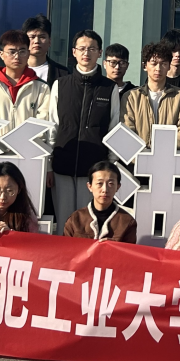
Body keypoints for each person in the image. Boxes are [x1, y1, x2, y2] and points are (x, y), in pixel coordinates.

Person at [47, 30, 121, 224]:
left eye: (92, 49)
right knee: (64, 222)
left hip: (94, 168)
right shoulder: (60, 85)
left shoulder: (109, 88)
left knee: (89, 222)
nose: (86, 53)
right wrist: (48, 165)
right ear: (74, 52)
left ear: (100, 53)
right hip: (62, 165)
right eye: (81, 48)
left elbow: (113, 128)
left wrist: (110, 164)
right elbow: (53, 126)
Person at [0, 29, 51, 138]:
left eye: (22, 51)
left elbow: (43, 122)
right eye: (12, 52)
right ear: (1, 54)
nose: (17, 56)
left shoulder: (42, 87)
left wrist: (21, 142)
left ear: (28, 53)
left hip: (28, 147)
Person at [122, 41, 180, 149]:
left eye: (163, 64)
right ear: (145, 66)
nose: (158, 68)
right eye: (154, 63)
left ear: (169, 66)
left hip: (168, 156)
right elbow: (127, 132)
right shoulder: (131, 97)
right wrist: (144, 155)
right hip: (138, 157)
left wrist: (161, 153)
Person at [62, 161, 137, 242]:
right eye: (99, 183)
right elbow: (66, 247)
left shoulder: (127, 222)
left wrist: (114, 246)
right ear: (90, 186)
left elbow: (128, 249)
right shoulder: (75, 219)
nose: (105, 189)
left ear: (118, 187)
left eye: (111, 183)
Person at [23, 14, 67, 85]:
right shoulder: (14, 71)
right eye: (32, 37)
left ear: (49, 41)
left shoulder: (63, 74)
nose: (36, 41)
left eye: (42, 37)